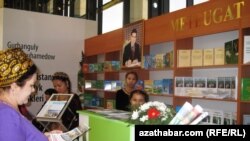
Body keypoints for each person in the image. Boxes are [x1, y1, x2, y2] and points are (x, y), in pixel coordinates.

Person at [0, 48, 48, 141]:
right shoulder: (6, 115)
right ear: (14, 87)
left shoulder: (8, 110)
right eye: (31, 85)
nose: (33, 90)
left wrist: (44, 137)